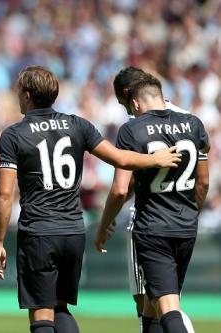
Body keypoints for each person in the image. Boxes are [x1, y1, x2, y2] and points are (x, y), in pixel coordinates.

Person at [0, 66, 182, 333]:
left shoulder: (14, 134)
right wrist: (154, 159)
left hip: (39, 231)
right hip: (73, 231)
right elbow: (120, 158)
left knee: (42, 315)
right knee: (61, 308)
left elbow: (3, 194)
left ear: (27, 94)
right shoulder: (78, 124)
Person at [94, 72, 209, 333]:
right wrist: (190, 214)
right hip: (186, 225)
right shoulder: (193, 124)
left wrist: (104, 226)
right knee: (155, 304)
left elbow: (121, 189)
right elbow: (203, 181)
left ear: (134, 103)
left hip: (153, 226)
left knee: (166, 307)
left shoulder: (132, 129)